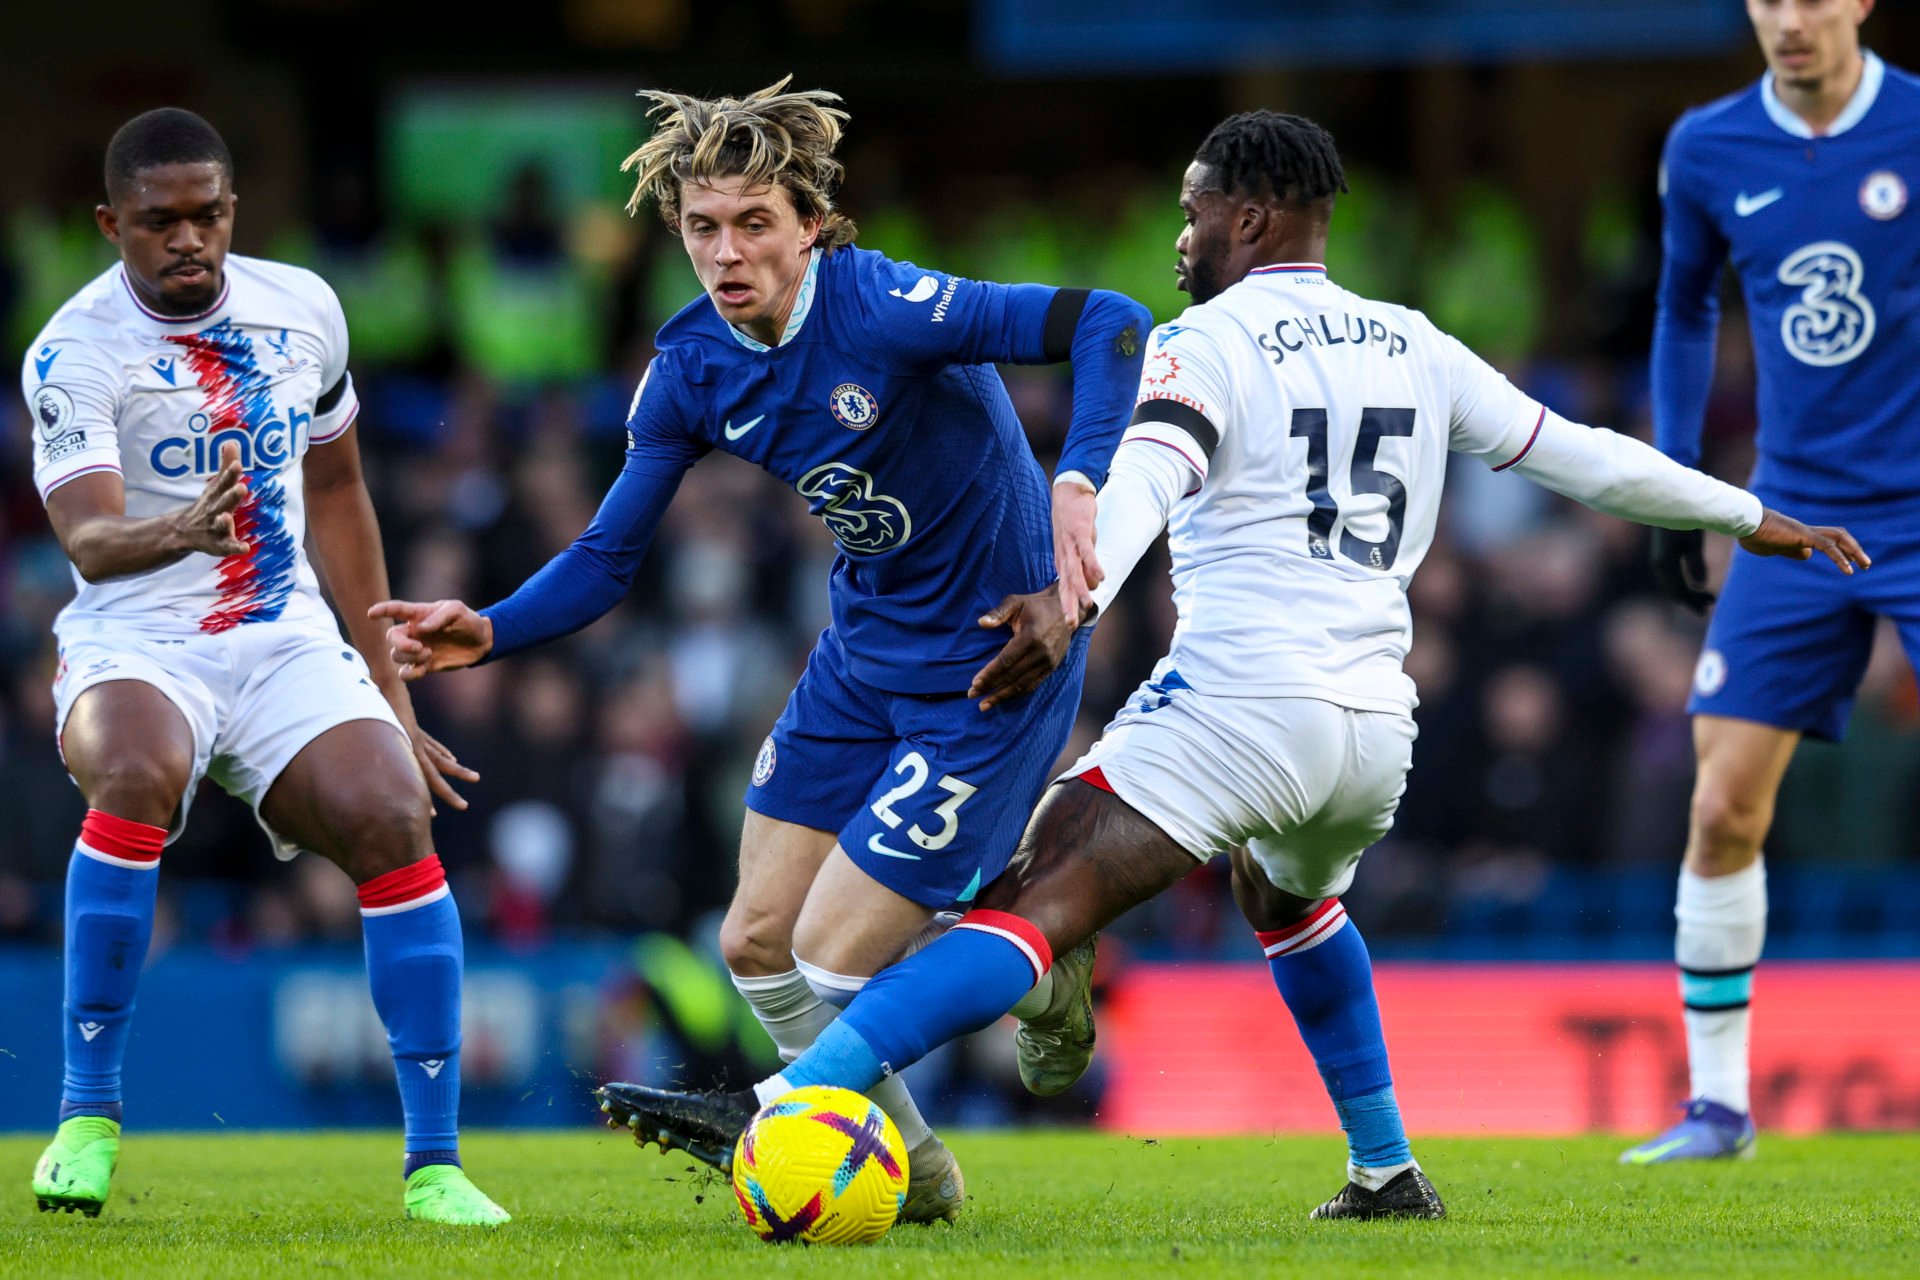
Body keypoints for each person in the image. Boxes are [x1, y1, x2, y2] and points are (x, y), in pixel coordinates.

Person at [598, 109, 1868, 1219]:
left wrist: (1067, 589)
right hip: (1375, 730)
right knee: (1292, 905)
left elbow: (1150, 476)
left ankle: (786, 1098)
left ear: (1249, 218)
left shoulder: (1199, 343)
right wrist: (1747, 512)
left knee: (1031, 899)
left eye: (1194, 208)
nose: (1179, 234)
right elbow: (1583, 454)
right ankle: (1384, 1169)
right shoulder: (1413, 340)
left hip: (1237, 709)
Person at [371, 78, 1151, 1222]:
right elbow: (606, 555)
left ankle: (1010, 963)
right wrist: (490, 627)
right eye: (701, 227)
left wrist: (1076, 486)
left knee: (836, 956)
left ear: (812, 225)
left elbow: (1110, 321)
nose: (725, 253)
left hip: (993, 666)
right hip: (860, 655)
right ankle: (923, 1170)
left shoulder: (883, 303)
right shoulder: (689, 366)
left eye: (754, 224)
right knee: (754, 943)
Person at [20, 108, 506, 1226]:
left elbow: (336, 489)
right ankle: (86, 1117)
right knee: (134, 770)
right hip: (139, 638)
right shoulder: (73, 347)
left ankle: (436, 1164)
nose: (187, 239)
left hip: (285, 637)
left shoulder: (305, 308)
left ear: (234, 210)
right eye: (159, 222)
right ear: (112, 225)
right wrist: (178, 530)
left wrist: (388, 686)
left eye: (208, 215)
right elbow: (89, 538)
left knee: (393, 809)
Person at [1626, 0, 1920, 1164]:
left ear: (1859, 1)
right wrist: (1678, 481)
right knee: (1720, 807)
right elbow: (1685, 303)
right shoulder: (1706, 145)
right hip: (1795, 514)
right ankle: (1718, 1108)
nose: (1790, 20)